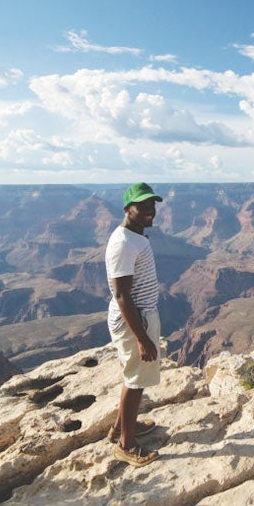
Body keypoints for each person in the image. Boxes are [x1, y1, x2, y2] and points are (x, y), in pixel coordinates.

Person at [105, 182, 164, 467]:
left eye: (152, 205)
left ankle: (121, 427)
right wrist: (142, 338)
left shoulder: (135, 236)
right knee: (136, 381)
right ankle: (126, 445)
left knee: (135, 376)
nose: (150, 211)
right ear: (128, 208)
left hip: (140, 316)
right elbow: (121, 294)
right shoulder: (124, 243)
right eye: (143, 206)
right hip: (134, 321)